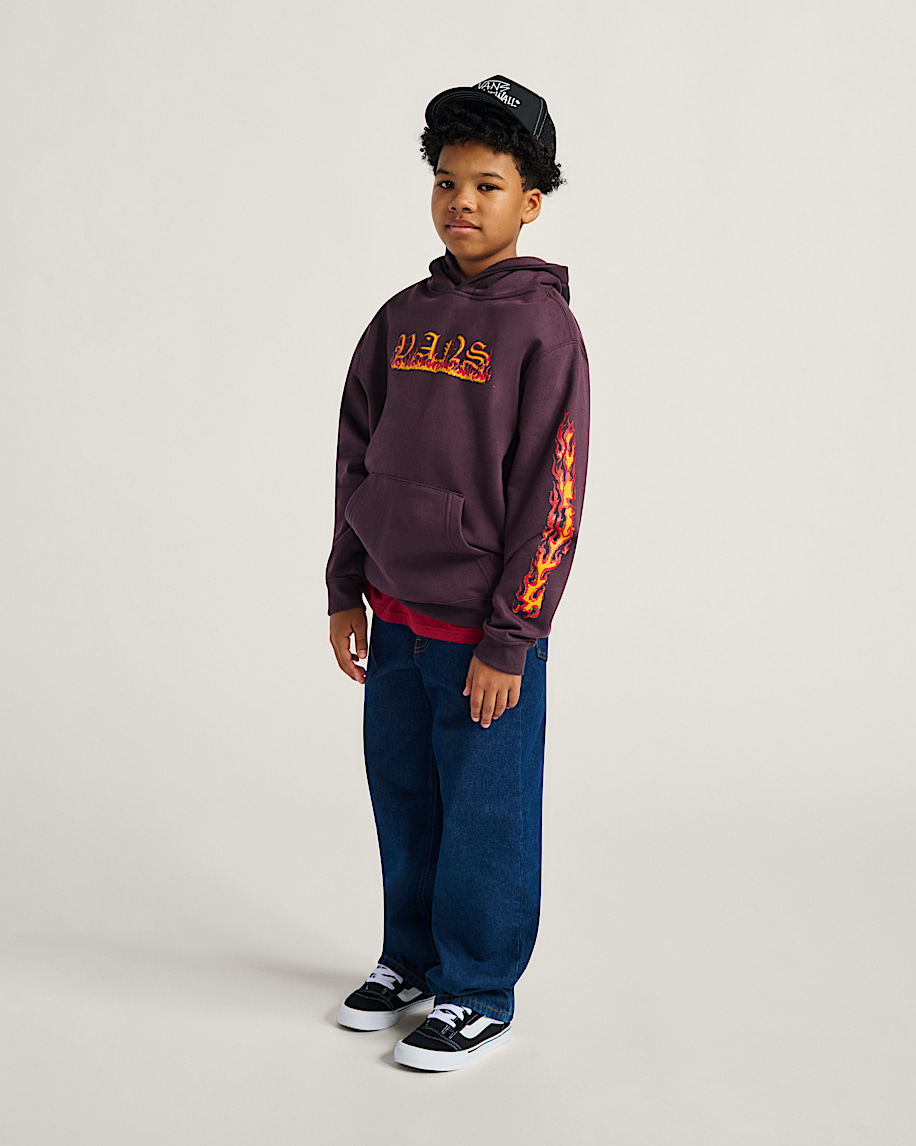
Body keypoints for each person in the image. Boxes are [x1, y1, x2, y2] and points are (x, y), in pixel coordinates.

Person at [325, 74, 590, 1072]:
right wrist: (343, 587)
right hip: (394, 614)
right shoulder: (400, 318)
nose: (462, 202)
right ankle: (411, 959)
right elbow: (355, 457)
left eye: (488, 184)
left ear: (531, 201)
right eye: (446, 181)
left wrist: (511, 639)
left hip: (483, 634)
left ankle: (478, 988)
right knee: (404, 794)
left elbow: (552, 497)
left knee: (486, 814)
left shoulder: (542, 331)